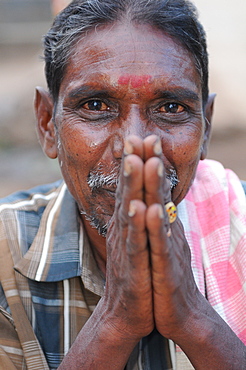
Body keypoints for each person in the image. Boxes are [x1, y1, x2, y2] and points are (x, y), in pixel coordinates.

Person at [0, 0, 245, 368]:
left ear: (206, 126)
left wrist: (194, 317)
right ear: (48, 123)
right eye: (96, 105)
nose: (133, 146)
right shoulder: (5, 259)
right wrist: (117, 317)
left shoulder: (237, 227)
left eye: (171, 108)